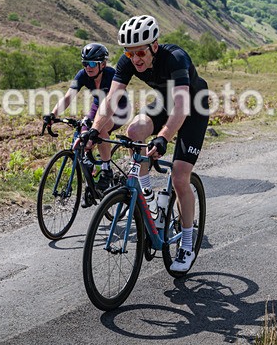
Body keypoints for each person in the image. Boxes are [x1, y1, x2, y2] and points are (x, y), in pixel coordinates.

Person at [81, 15, 209, 273]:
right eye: (130, 54)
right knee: (134, 130)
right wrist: (95, 130)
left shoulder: (175, 58)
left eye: (140, 52)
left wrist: (163, 138)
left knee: (180, 176)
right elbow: (110, 100)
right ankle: (147, 195)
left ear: (154, 46)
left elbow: (182, 106)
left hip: (193, 107)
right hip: (164, 101)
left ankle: (186, 241)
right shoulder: (127, 62)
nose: (135, 59)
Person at [43, 43, 129, 206]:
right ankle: (91, 184)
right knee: (82, 138)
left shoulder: (111, 75)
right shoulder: (83, 75)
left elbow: (111, 105)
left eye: (91, 63)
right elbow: (68, 97)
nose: (87, 67)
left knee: (100, 129)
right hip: (98, 107)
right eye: (84, 63)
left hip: (118, 109)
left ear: (102, 64)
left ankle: (106, 171)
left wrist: (95, 124)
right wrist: (53, 115)